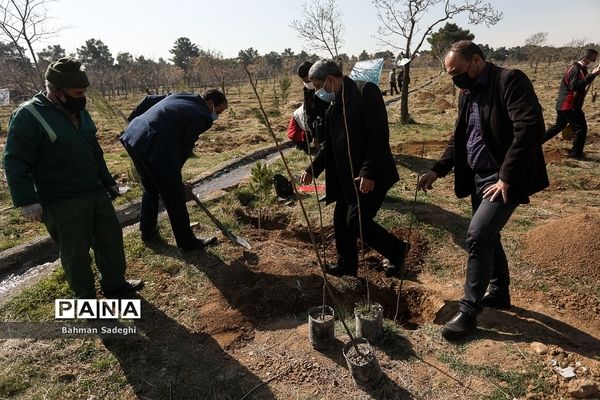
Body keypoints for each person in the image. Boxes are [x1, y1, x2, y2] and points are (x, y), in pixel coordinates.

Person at [417, 41, 549, 340]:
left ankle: (468, 311)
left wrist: (506, 177)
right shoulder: (468, 92)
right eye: (450, 74)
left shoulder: (509, 80)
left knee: (477, 234)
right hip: (478, 176)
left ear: (477, 61)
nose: (455, 79)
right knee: (489, 234)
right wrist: (438, 169)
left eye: (458, 71)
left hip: (504, 178)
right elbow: (460, 136)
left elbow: (530, 128)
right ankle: (499, 291)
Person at [3, 57, 143, 299]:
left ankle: (115, 285)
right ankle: (86, 299)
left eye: (84, 92)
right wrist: (27, 200)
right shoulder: (29, 115)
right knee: (75, 253)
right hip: (61, 200)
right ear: (55, 91)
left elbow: (94, 149)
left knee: (110, 241)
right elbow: (15, 160)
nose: (82, 97)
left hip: (94, 190)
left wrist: (108, 180)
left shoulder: (79, 110)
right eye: (77, 92)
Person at [300, 59, 409, 278]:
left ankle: (397, 249)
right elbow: (329, 146)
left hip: (371, 175)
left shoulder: (364, 92)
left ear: (330, 80)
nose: (318, 92)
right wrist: (312, 169)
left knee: (356, 222)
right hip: (346, 177)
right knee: (341, 221)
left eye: (319, 87)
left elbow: (379, 137)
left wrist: (368, 172)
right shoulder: (334, 104)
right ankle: (347, 265)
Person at [120, 90, 228, 251]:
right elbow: (184, 147)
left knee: (150, 186)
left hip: (133, 135)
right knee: (174, 195)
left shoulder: (183, 95)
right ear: (210, 104)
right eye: (218, 111)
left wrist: (134, 123)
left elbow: (148, 100)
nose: (217, 116)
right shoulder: (202, 116)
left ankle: (147, 231)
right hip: (154, 143)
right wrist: (175, 176)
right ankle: (187, 242)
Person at [543, 49, 600, 158]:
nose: (594, 61)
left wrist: (593, 74)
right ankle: (575, 154)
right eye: (593, 59)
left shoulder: (580, 69)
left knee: (558, 127)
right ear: (586, 58)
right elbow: (575, 86)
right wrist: (592, 75)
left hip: (566, 105)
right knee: (581, 128)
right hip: (569, 105)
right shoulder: (576, 69)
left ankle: (535, 143)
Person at [297, 61, 329, 145]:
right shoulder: (307, 90)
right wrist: (314, 134)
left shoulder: (329, 85)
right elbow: (309, 112)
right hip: (320, 128)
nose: (310, 84)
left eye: (310, 81)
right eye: (306, 82)